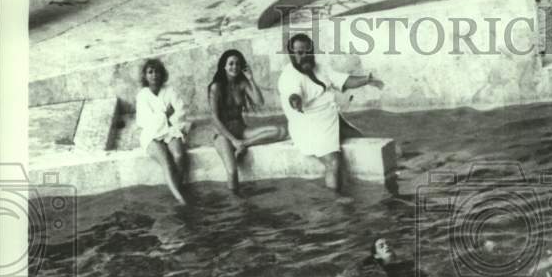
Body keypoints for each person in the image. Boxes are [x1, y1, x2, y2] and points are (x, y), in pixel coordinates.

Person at [277, 33, 384, 192]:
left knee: (361, 140)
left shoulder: (319, 67)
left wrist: (367, 80)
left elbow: (344, 81)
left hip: (331, 119)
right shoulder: (289, 76)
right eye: (299, 53)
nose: (305, 56)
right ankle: (336, 200)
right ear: (291, 55)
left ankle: (353, 185)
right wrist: (295, 102)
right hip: (310, 127)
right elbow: (294, 94)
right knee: (332, 163)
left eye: (308, 51)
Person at [207, 49, 287, 193]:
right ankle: (236, 201)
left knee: (280, 131)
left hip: (241, 130)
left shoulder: (242, 84)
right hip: (223, 135)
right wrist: (233, 140)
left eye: (238, 64)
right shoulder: (216, 87)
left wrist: (251, 79)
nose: (234, 67)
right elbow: (215, 119)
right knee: (232, 171)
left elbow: (259, 101)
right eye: (231, 63)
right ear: (223, 66)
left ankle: (244, 144)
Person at [136, 58, 188, 205]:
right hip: (151, 135)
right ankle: (180, 199)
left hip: (170, 129)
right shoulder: (142, 96)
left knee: (178, 155)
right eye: (150, 72)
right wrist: (165, 115)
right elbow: (145, 122)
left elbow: (180, 111)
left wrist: (163, 119)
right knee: (167, 162)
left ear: (162, 74)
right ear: (145, 76)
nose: (154, 75)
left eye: (157, 71)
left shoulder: (169, 91)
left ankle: (176, 189)